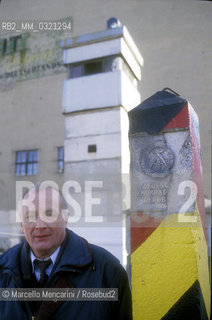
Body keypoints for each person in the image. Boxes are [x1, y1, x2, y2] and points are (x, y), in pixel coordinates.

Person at [0, 185, 132, 320]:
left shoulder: (107, 271)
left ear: (66, 217)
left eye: (49, 214)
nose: (40, 225)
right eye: (30, 216)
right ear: (22, 224)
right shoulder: (2, 270)